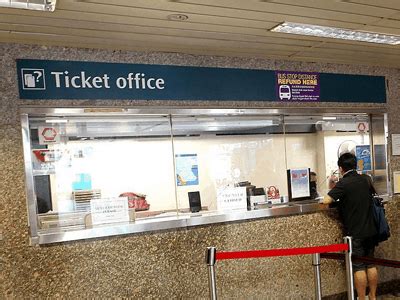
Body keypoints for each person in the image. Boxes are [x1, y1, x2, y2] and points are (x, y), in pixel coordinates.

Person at [321, 152, 378, 300]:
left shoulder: (344, 183)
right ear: (355, 164)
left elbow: (326, 201)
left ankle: (361, 298)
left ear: (341, 168)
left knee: (359, 267)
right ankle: (372, 296)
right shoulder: (365, 179)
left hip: (356, 231)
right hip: (371, 229)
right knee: (371, 264)